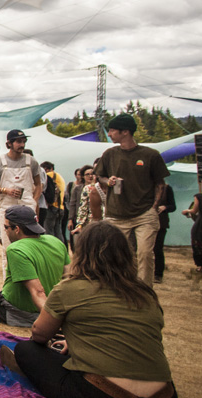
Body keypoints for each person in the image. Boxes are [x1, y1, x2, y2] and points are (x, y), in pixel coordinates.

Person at [10, 222, 179, 398]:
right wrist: (76, 343)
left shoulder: (70, 288)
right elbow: (131, 337)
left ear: (82, 253)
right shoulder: (145, 294)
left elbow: (39, 335)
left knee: (26, 349)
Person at [95, 113, 169, 285]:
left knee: (144, 254)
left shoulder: (150, 155)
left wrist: (154, 207)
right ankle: (119, 288)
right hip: (117, 214)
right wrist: (109, 181)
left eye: (113, 130)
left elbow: (160, 184)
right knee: (116, 255)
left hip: (144, 214)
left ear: (125, 132)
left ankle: (145, 292)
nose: (110, 133)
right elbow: (101, 177)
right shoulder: (109, 154)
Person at [0, 205, 69, 327]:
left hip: (20, 312)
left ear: (17, 229)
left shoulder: (16, 249)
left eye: (6, 227)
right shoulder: (56, 241)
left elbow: (38, 291)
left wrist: (52, 323)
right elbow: (69, 279)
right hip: (54, 307)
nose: (5, 231)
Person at [0, 129, 42, 250]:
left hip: (27, 206)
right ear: (9, 144)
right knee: (8, 245)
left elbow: (38, 184)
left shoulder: (31, 161)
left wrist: (34, 201)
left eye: (23, 142)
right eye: (18, 142)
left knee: (30, 242)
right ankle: (7, 269)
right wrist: (5, 190)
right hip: (7, 206)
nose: (22, 145)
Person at [153, 182, 177, 282]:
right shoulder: (143, 185)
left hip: (161, 222)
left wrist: (165, 207)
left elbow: (173, 206)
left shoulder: (167, 188)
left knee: (157, 248)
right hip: (143, 221)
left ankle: (158, 274)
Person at [40, 161, 66, 245]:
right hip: (60, 207)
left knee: (49, 233)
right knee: (58, 232)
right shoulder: (60, 177)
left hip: (51, 207)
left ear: (46, 169)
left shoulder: (49, 176)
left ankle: (51, 251)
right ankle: (61, 250)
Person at [73, 164, 104, 235]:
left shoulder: (107, 187)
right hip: (92, 222)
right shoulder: (87, 189)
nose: (91, 176)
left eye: (93, 173)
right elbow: (83, 207)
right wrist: (80, 224)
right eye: (88, 174)